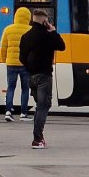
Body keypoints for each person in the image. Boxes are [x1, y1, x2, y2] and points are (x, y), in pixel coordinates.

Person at [19, 9, 66, 149]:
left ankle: (38, 138)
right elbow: (62, 46)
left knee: (39, 106)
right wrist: (53, 31)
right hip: (44, 76)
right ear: (45, 20)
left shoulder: (26, 36)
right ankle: (37, 139)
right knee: (43, 107)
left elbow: (22, 57)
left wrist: (29, 68)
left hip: (31, 76)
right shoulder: (47, 35)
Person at [0, 7, 33, 123]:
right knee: (25, 89)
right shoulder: (31, 30)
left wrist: (5, 60)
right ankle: (23, 113)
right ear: (28, 17)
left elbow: (3, 47)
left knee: (11, 87)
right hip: (26, 64)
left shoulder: (8, 29)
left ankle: (8, 112)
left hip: (11, 63)